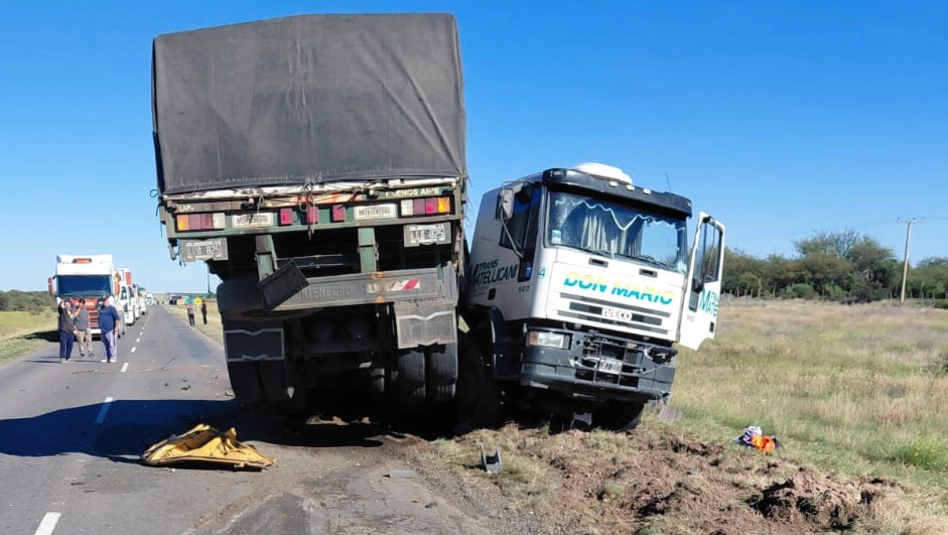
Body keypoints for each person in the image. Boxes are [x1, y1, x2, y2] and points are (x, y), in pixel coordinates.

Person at [98, 295, 121, 364]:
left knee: (112, 344)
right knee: (104, 345)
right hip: (103, 330)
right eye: (103, 301)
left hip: (110, 329)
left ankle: (113, 357)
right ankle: (106, 357)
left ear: (108, 300)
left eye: (105, 301)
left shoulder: (112, 309)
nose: (104, 302)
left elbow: (117, 318)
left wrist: (116, 327)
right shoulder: (102, 308)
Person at [57, 299, 76, 363]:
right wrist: (61, 302)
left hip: (71, 331)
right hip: (64, 331)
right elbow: (59, 307)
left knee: (70, 346)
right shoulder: (62, 311)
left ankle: (68, 358)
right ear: (64, 305)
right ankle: (62, 358)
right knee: (63, 345)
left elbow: (73, 321)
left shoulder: (71, 312)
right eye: (66, 305)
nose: (67, 306)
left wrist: (74, 329)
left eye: (68, 304)